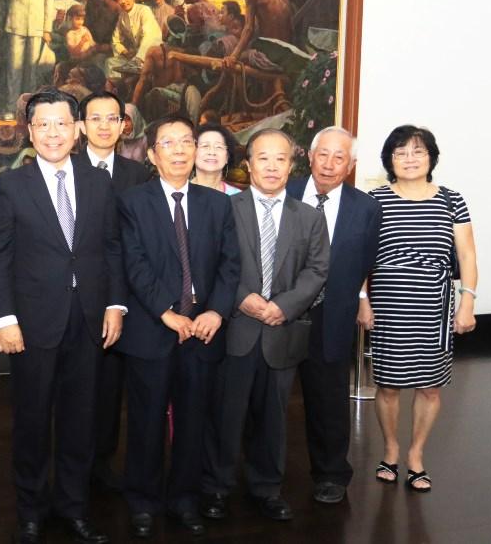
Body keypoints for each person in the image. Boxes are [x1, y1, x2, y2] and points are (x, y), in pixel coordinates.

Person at [0, 89, 125, 544]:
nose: (52, 133)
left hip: (88, 320)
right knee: (30, 420)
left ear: (77, 129)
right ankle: (30, 509)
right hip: (31, 324)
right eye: (42, 124)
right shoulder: (11, 184)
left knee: (80, 420)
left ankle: (73, 507)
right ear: (30, 132)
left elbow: (110, 248)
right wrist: (4, 319)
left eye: (62, 124)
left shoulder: (98, 182)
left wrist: (115, 305)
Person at [117, 116, 240, 537]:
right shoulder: (134, 202)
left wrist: (216, 313)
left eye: (186, 141)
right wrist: (165, 312)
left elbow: (230, 266)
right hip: (153, 331)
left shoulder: (218, 204)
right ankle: (143, 501)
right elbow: (133, 264)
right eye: (168, 143)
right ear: (152, 154)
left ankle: (185, 500)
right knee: (147, 422)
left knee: (193, 423)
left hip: (203, 333)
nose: (181, 149)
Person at [201, 128, 329, 523]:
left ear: (292, 166)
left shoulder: (309, 217)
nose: (272, 167)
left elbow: (318, 269)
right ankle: (216, 488)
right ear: (247, 164)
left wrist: (283, 306)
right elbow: (214, 262)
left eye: (281, 159)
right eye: (263, 158)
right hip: (236, 329)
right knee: (225, 414)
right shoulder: (225, 209)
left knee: (274, 417)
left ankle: (267, 488)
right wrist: (243, 297)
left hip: (282, 330)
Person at [361, 125, 477, 493]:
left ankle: (416, 454)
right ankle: (391, 450)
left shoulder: (451, 199)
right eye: (401, 152)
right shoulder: (375, 200)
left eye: (417, 151)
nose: (409, 159)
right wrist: (363, 301)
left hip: (435, 306)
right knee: (390, 385)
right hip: (390, 305)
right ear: (389, 160)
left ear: (431, 157)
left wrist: (467, 301)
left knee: (430, 387)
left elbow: (467, 254)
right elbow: (361, 257)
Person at [285, 126, 381, 504]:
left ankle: (331, 475)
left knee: (328, 399)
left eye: (339, 157)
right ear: (309, 157)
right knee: (268, 397)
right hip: (282, 311)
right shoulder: (285, 192)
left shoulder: (367, 209)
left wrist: (361, 297)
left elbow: (367, 262)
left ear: (351, 164)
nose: (329, 164)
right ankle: (261, 473)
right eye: (322, 154)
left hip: (333, 314)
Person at [73, 92, 148, 492]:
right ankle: (71, 463)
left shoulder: (137, 176)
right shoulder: (64, 168)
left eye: (112, 119)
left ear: (124, 126)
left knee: (109, 388)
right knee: (74, 388)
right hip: (74, 298)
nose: (104, 125)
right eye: (95, 118)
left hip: (124, 297)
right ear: (81, 125)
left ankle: (101, 462)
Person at [107, 0, 161, 78]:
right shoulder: (122, 16)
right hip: (134, 57)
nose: (123, 1)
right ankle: (116, 90)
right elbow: (115, 40)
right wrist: (125, 52)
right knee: (110, 62)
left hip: (151, 55)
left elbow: (149, 36)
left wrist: (139, 57)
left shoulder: (144, 10)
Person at [191, 123, 242, 195]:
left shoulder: (237, 197)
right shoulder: (179, 194)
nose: (212, 152)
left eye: (219, 147)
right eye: (205, 146)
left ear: (227, 157)